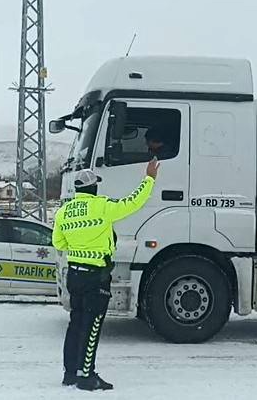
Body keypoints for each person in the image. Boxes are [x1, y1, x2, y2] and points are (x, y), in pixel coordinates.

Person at [53, 159, 160, 391]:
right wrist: (149, 179)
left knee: (75, 323)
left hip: (74, 275)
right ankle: (86, 376)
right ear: (93, 187)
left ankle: (70, 373)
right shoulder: (102, 206)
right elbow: (134, 202)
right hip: (96, 276)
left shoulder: (63, 213)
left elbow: (58, 243)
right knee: (91, 326)